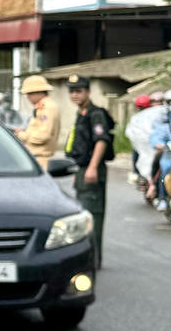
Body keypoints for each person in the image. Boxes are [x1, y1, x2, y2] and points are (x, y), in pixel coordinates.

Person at [65, 75, 112, 264]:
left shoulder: (95, 114)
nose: (75, 95)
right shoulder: (81, 113)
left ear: (88, 92)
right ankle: (88, 257)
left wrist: (92, 168)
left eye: (79, 91)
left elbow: (101, 141)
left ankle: (93, 260)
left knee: (93, 215)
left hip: (93, 169)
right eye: (72, 91)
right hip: (82, 168)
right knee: (84, 214)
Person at [14, 74, 61, 170]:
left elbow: (43, 135)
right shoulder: (41, 107)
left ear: (38, 92)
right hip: (36, 158)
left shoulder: (47, 108)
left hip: (41, 159)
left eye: (29, 94)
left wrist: (23, 135)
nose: (27, 97)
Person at [124, 93, 164, 186]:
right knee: (137, 151)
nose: (158, 104)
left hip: (163, 142)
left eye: (160, 101)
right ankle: (138, 174)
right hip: (149, 143)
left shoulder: (167, 112)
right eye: (155, 102)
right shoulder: (138, 118)